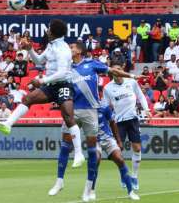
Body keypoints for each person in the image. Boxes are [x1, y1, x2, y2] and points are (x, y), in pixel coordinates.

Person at [48, 43, 139, 200]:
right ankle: (65, 182)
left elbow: (112, 71)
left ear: (80, 51)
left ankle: (123, 190)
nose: (70, 49)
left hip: (97, 121)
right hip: (73, 111)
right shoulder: (65, 67)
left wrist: (130, 76)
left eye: (72, 47)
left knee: (110, 157)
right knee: (71, 148)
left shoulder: (92, 65)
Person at [0, 20, 85, 168]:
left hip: (63, 84)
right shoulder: (51, 46)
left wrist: (43, 80)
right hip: (50, 85)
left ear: (54, 32)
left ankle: (78, 154)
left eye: (49, 29)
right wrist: (30, 49)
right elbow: (38, 60)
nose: (47, 31)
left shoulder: (63, 49)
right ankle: (8, 124)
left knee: (68, 117)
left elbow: (63, 73)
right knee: (28, 98)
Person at [103, 60, 151, 191]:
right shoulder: (108, 88)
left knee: (137, 148)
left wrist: (147, 110)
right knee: (118, 151)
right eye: (115, 70)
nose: (117, 72)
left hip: (133, 119)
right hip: (118, 122)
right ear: (112, 72)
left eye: (119, 69)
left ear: (122, 70)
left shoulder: (132, 82)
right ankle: (123, 174)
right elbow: (105, 107)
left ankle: (134, 177)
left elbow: (140, 96)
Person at [93, 105, 139, 200]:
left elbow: (113, 123)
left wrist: (118, 141)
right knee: (95, 160)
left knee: (120, 159)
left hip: (108, 138)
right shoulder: (85, 109)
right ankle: (91, 191)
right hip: (94, 140)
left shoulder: (104, 108)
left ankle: (131, 192)